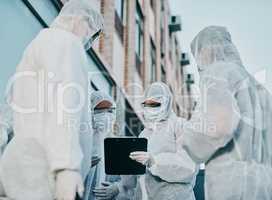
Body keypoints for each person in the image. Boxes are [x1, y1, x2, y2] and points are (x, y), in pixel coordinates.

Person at [0, 0, 104, 200]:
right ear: (80, 21)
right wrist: (67, 166)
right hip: (43, 170)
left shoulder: (44, 41)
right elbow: (64, 105)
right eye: (92, 33)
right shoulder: (65, 43)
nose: (90, 41)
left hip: (33, 167)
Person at [181, 26, 272, 200]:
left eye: (198, 53)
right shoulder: (261, 91)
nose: (198, 61)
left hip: (233, 185)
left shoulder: (218, 73)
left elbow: (217, 128)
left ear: (208, 48)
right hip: (265, 186)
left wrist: (186, 140)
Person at [129, 82, 198, 200]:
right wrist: (118, 188)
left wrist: (155, 162)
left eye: (155, 104)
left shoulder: (181, 126)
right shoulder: (144, 134)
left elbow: (189, 166)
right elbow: (137, 176)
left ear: (167, 103)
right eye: (148, 104)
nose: (151, 108)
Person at [84, 91, 118, 200]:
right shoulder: (79, 141)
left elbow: (129, 182)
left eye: (110, 111)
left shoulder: (115, 146)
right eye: (100, 110)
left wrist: (117, 188)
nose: (106, 115)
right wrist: (83, 166)